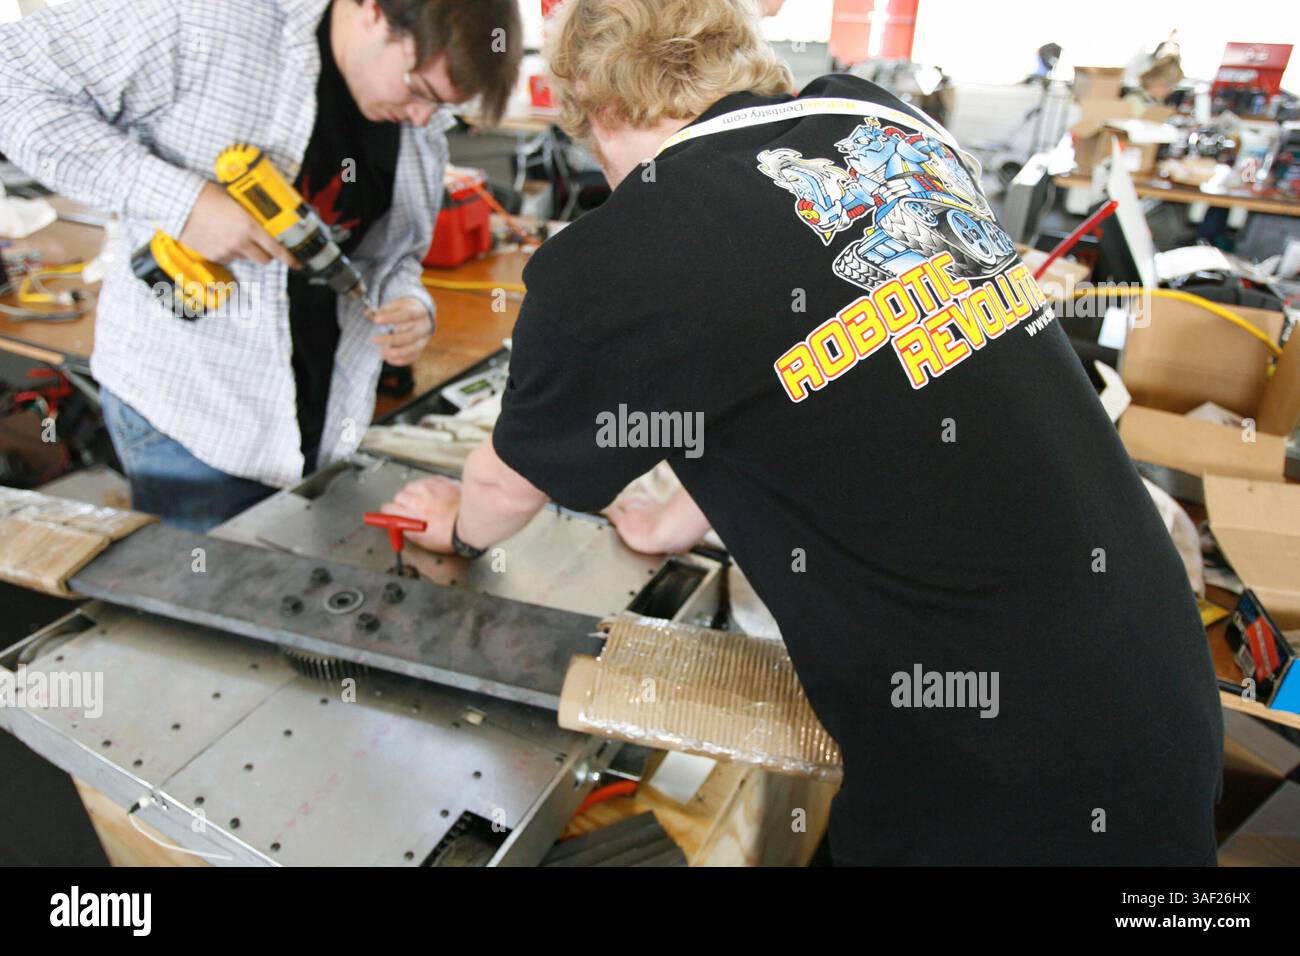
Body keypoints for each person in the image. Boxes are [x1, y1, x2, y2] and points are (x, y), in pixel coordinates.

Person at [384, 0, 1223, 865]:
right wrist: (677, 520)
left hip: (1003, 780)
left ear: (597, 108)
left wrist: (452, 521)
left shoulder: (628, 245)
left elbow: (500, 489)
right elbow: (834, 368)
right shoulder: (875, 120)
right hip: (1159, 692)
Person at [0, 0, 522, 530]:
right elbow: (11, 80)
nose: (422, 118)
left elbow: (391, 254)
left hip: (319, 413)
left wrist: (411, 301)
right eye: (420, 92)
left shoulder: (413, 114)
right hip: (192, 418)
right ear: (372, 12)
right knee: (206, 596)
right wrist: (186, 203)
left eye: (441, 109)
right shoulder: (205, 17)